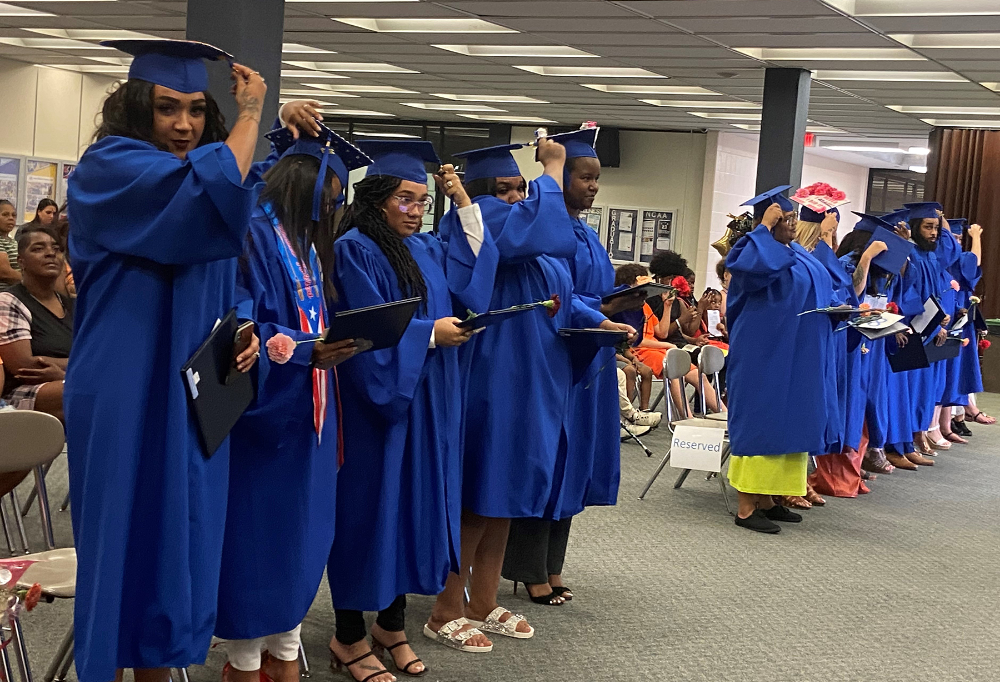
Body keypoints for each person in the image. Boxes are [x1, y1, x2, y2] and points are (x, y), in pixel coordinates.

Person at [65, 39, 265, 682]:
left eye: (196, 111)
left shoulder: (205, 171)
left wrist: (244, 326)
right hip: (125, 384)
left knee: (181, 544)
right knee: (124, 539)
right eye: (166, 109)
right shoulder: (109, 166)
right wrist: (251, 117)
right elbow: (201, 195)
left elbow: (222, 269)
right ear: (134, 111)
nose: (184, 125)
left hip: (192, 388)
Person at [326, 139, 498, 681]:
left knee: (411, 512)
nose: (415, 209)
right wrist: (428, 335)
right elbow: (361, 334)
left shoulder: (423, 249)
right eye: (405, 198)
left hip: (426, 404)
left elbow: (472, 276)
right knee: (370, 513)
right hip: (379, 406)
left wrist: (461, 197)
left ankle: (392, 626)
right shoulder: (355, 249)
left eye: (423, 201)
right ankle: (348, 634)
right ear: (377, 198)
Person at [215, 122, 371, 682]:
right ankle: (245, 657)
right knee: (262, 537)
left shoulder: (306, 245)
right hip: (270, 417)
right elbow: (243, 318)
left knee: (303, 537)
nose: (329, 210)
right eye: (326, 195)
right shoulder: (255, 234)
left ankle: (285, 644)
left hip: (313, 416)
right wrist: (303, 351)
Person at [427, 137, 586, 647]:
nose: (516, 198)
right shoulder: (472, 227)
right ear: (473, 195)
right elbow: (530, 230)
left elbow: (564, 294)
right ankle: (445, 608)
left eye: (520, 189)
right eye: (502, 189)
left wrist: (600, 320)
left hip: (534, 386)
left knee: (508, 500)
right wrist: (554, 167)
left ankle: (484, 600)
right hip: (490, 385)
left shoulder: (534, 253)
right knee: (479, 497)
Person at [501, 127, 637, 609]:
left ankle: (552, 565)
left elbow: (587, 291)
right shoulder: (545, 229)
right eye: (584, 177)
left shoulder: (583, 230)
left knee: (574, 464)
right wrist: (597, 312)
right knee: (548, 462)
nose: (593, 186)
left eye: (597, 178)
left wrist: (616, 312)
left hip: (589, 355)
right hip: (559, 357)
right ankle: (527, 567)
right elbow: (563, 297)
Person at [724, 186, 841, 534]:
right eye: (785, 219)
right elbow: (752, 269)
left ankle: (769, 498)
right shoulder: (753, 249)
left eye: (793, 218)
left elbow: (826, 284)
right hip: (765, 356)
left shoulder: (796, 253)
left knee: (789, 425)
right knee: (763, 425)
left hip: (797, 354)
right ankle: (747, 506)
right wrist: (762, 229)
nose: (792, 224)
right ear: (769, 221)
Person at [0, 226, 72, 421]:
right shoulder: (9, 301)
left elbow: (95, 357)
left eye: (55, 248)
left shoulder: (72, 304)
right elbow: (24, 365)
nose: (50, 253)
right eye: (38, 249)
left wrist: (63, 372)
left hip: (66, 379)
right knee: (89, 390)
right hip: (21, 392)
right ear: (20, 262)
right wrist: (76, 368)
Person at [0, 200, 21, 284]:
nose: (11, 218)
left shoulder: (13, 241)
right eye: (5, 214)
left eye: (14, 215)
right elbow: (5, 273)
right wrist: (32, 281)